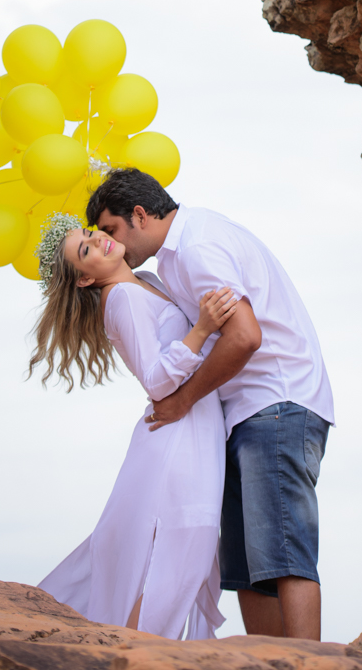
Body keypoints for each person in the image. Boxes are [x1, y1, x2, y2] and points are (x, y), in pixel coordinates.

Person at [87, 168, 334, 641]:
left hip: (275, 402)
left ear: (139, 215)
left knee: (284, 552)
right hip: (242, 414)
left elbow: (245, 336)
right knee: (246, 567)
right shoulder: (171, 262)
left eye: (112, 229)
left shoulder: (197, 247)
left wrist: (182, 401)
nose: (110, 242)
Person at [31, 211, 237, 639]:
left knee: (183, 553)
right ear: (85, 279)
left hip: (196, 426)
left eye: (89, 234)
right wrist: (201, 329)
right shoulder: (121, 298)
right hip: (175, 436)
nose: (98, 241)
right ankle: (130, 658)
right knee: (177, 552)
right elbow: (157, 379)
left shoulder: (148, 281)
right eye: (85, 250)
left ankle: (129, 654)